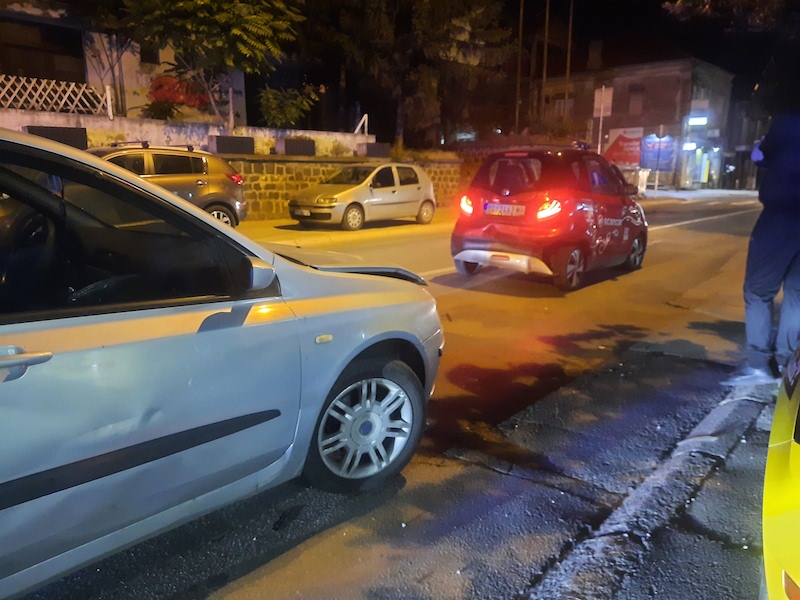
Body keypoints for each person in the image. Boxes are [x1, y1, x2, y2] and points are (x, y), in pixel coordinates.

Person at [725, 115, 800, 385]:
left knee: (758, 291)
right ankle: (786, 364)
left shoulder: (789, 121)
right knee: (797, 295)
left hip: (781, 217)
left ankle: (759, 365)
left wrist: (762, 147)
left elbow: (762, 155)